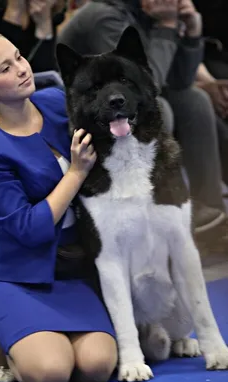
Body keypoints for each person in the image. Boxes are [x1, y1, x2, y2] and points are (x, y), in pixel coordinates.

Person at [0, 30, 117, 382]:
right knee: (50, 374)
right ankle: (5, 345)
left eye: (18, 56)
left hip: (70, 270)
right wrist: (76, 173)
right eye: (5, 68)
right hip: (13, 277)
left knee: (97, 367)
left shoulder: (54, 101)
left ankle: (31, 338)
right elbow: (30, 229)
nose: (21, 69)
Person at [58, 0, 228, 240]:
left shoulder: (146, 12)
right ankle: (156, 204)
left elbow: (180, 81)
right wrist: (167, 26)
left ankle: (209, 211)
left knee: (194, 100)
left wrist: (191, 33)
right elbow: (147, 82)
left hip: (119, 100)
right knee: (161, 109)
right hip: (88, 112)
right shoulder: (105, 17)